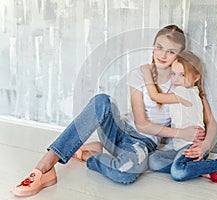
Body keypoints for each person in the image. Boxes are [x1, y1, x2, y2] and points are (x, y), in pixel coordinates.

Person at [12, 25, 206, 197]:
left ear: (179, 55)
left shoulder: (183, 86)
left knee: (125, 174)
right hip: (120, 131)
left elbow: (206, 118)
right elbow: (142, 124)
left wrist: (202, 145)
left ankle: (88, 154)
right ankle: (44, 167)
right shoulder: (141, 74)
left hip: (141, 143)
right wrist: (180, 133)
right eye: (159, 47)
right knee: (102, 100)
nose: (162, 55)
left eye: (171, 51)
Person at [141, 51, 217, 182]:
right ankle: (201, 169)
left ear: (196, 77)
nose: (176, 79)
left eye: (182, 75)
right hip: (180, 148)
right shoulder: (194, 92)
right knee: (154, 160)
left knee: (178, 172)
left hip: (191, 147)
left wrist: (147, 74)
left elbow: (155, 96)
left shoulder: (183, 92)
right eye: (173, 74)